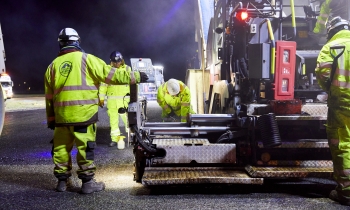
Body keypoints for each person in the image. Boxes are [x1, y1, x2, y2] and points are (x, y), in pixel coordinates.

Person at [44, 28, 148, 194]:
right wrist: (136, 76)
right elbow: (111, 75)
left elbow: (49, 98)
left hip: (61, 118)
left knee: (61, 148)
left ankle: (62, 183)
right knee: (86, 148)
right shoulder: (86, 60)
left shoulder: (52, 67)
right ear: (76, 41)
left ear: (61, 43)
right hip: (83, 115)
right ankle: (87, 183)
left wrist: (51, 119)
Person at [315, 16, 350, 206]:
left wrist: (330, 89)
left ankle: (346, 192)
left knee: (343, 144)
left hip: (342, 104)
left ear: (331, 30)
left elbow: (322, 72)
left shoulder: (332, 46)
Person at [99, 51, 130, 149]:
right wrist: (101, 98)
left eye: (118, 62)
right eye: (115, 62)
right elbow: (103, 86)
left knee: (129, 121)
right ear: (111, 61)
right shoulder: (107, 71)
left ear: (122, 60)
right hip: (112, 102)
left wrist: (134, 98)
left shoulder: (127, 69)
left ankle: (132, 138)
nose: (117, 64)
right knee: (113, 122)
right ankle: (114, 140)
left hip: (125, 102)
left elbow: (133, 84)